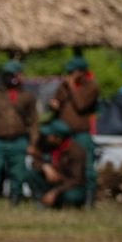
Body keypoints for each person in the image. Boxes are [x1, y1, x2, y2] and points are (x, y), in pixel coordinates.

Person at [0, 60, 37, 206]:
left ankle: (15, 198)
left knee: (18, 173)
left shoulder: (27, 96)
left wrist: (32, 143)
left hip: (18, 140)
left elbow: (33, 121)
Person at [48, 56, 99, 207]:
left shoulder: (91, 86)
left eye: (72, 72)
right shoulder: (63, 86)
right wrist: (54, 105)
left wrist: (71, 86)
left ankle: (89, 200)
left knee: (87, 168)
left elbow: (81, 105)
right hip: (64, 134)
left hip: (81, 133)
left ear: (82, 72)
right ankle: (65, 198)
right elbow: (58, 101)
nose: (69, 75)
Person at [29, 119, 86, 209]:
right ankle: (41, 202)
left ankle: (61, 204)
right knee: (32, 174)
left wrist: (56, 191)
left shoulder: (76, 152)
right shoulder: (46, 145)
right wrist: (45, 167)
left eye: (49, 135)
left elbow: (76, 180)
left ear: (58, 138)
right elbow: (35, 161)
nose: (46, 136)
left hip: (67, 186)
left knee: (73, 196)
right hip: (51, 182)